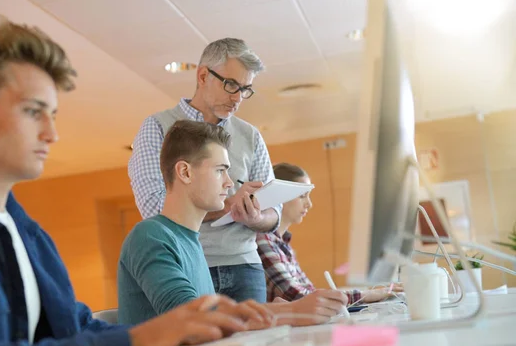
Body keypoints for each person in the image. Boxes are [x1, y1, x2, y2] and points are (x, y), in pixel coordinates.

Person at [0, 22, 266, 346]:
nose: (52, 133)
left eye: (52, 114)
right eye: (34, 112)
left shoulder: (27, 232)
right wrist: (136, 342)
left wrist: (174, 333)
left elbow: (76, 326)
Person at [119, 120, 349, 327]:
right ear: (185, 172)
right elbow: (194, 321)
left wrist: (276, 310)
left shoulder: (189, 241)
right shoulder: (150, 237)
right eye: (220, 171)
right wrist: (290, 311)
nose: (230, 183)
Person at [128, 38, 280, 303]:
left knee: (255, 344)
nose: (237, 98)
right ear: (202, 75)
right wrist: (230, 206)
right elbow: (154, 208)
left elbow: (274, 214)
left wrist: (254, 217)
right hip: (187, 263)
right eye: (231, 84)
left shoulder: (250, 135)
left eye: (245, 89)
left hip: (245, 266)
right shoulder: (158, 127)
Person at [257, 163, 402, 304]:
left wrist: (367, 294)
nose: (309, 204)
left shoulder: (283, 244)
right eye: (302, 196)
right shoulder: (263, 241)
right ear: (279, 197)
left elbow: (310, 291)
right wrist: (366, 294)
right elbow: (299, 297)